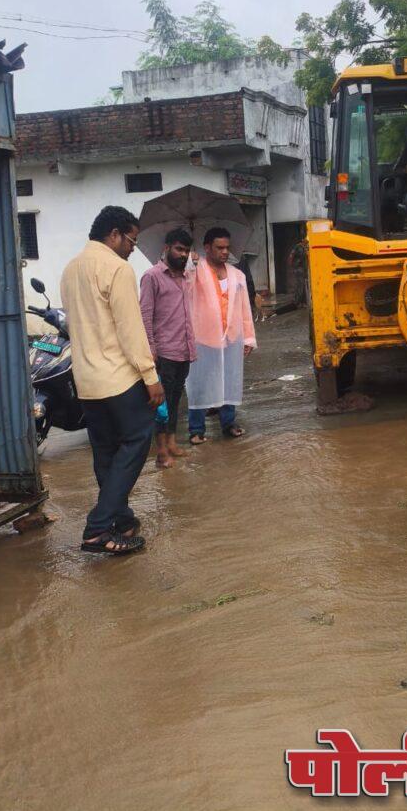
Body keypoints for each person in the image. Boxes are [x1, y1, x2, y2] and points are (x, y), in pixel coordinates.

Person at [60, 206, 164, 555]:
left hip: (86, 381)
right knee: (137, 441)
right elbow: (130, 329)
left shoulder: (70, 269)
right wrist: (150, 377)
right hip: (118, 378)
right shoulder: (117, 269)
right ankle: (98, 527)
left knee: (105, 452)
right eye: (131, 240)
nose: (132, 248)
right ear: (115, 234)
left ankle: (119, 518)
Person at [186, 226, 256, 442]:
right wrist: (190, 263)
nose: (225, 252)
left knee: (230, 379)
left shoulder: (238, 275)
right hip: (204, 338)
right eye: (220, 247)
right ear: (207, 247)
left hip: (231, 337)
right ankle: (197, 429)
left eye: (227, 247)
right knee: (199, 382)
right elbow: (185, 289)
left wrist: (248, 338)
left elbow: (245, 308)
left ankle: (229, 423)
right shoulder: (196, 271)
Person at [139, 227, 196, 468]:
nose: (183, 255)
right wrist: (150, 348)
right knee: (161, 405)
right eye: (179, 249)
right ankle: (161, 452)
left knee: (174, 399)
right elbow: (144, 315)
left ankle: (172, 442)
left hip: (183, 349)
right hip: (163, 351)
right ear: (166, 249)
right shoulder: (152, 276)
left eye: (187, 251)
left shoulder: (186, 277)